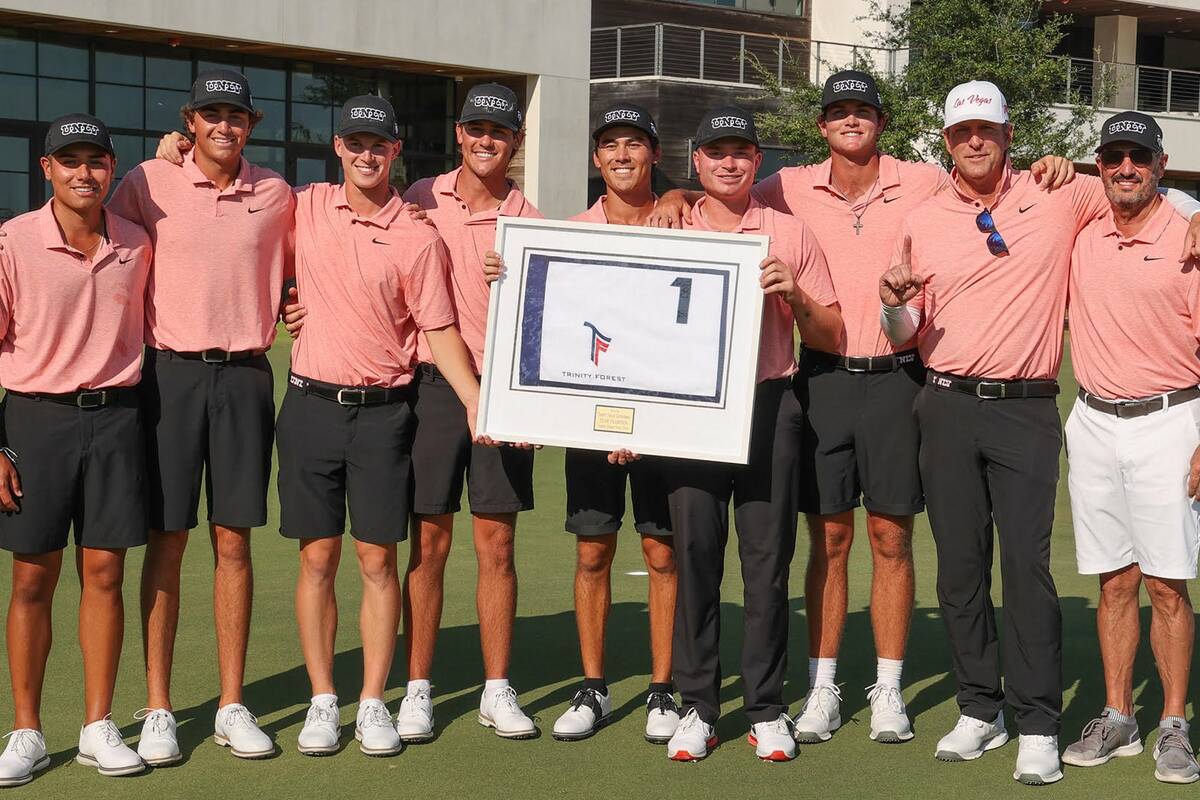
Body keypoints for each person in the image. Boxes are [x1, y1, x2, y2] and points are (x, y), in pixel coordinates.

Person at [650, 71, 1077, 744]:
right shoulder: (784, 187)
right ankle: (822, 687)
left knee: (890, 535)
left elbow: (985, 185)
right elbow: (719, 193)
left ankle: (888, 686)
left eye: (864, 111)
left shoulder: (924, 180)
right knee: (830, 536)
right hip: (819, 378)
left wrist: (1049, 165)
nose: (851, 120)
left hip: (900, 377)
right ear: (821, 126)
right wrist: (672, 193)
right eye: (838, 112)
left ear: (882, 121)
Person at [878, 81, 1200, 785]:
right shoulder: (926, 218)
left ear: (1008, 133)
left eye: (986, 129)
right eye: (962, 131)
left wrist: (1197, 207)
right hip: (946, 400)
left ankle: (1033, 720)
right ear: (946, 142)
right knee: (960, 567)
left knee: (1027, 569)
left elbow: (1145, 196)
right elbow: (905, 331)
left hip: (1029, 408)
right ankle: (978, 709)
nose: (974, 141)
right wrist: (889, 306)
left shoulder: (1061, 193)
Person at [279, 96, 490, 758]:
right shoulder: (302, 206)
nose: (367, 154)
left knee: (378, 558)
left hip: (383, 414)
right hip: (310, 406)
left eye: (380, 145)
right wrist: (173, 148)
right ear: (338, 147)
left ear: (396, 152)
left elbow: (439, 328)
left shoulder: (418, 234)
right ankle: (323, 700)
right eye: (355, 143)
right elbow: (233, 211)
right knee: (317, 557)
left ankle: (372, 701)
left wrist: (475, 399)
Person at [107, 69, 294, 762]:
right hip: (170, 378)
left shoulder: (277, 194)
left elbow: (321, 253)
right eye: (211, 114)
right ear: (191, 122)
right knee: (168, 539)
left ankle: (232, 703)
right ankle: (157, 706)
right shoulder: (146, 183)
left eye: (236, 116)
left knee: (234, 543)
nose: (224, 126)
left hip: (246, 376)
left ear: (252, 124)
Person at [663, 106, 841, 763]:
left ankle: (766, 708)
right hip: (690, 414)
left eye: (741, 151)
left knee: (766, 565)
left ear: (757, 160)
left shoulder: (789, 233)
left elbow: (831, 332)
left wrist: (794, 295)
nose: (729, 162)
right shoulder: (671, 222)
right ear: (697, 161)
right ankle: (699, 707)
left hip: (772, 402)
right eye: (716, 152)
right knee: (697, 558)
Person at [0, 115, 152, 784]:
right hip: (35, 420)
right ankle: (27, 730)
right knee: (33, 577)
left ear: (112, 169)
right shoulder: (12, 242)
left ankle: (97, 725)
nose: (83, 172)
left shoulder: (140, 245)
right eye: (70, 161)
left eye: (96, 160)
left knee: (105, 575)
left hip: (117, 421)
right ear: (47, 170)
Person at [396, 83, 542, 741]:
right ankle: (418, 688)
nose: (487, 140)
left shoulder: (530, 221)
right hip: (430, 388)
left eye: (500, 131)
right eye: (476, 128)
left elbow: (546, 323)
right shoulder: (419, 199)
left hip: (504, 391)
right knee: (429, 539)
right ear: (460, 134)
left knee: (497, 542)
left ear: (515, 142)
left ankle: (496, 688)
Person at [1059, 112, 1200, 785]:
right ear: (1099, 164)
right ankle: (1118, 714)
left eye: (1137, 157)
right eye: (1113, 156)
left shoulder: (1189, 233)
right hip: (1091, 421)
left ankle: (1173, 723)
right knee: (1113, 580)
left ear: (1160, 165)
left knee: (1166, 583)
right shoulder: (1081, 230)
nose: (1125, 168)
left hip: (1172, 420)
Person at [539, 103, 680, 744]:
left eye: (635, 144)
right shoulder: (570, 232)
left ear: (653, 153)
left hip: (664, 421)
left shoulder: (686, 221)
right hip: (593, 419)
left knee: (661, 551)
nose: (623, 155)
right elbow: (562, 334)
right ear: (596, 158)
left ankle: (663, 689)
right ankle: (592, 686)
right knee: (593, 550)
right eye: (611, 145)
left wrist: (645, 423)